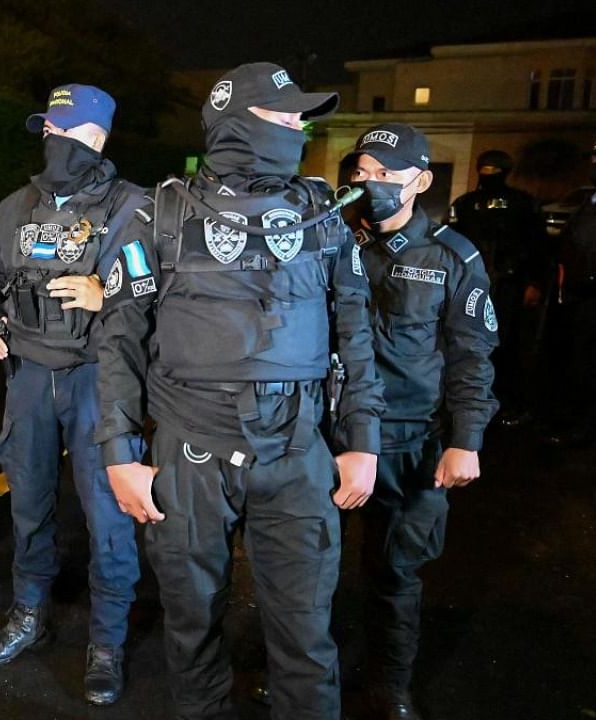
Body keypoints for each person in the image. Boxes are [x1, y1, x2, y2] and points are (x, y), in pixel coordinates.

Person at [97, 63, 384, 719]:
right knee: (192, 623)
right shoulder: (157, 213)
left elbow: (354, 329)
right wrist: (118, 452)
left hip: (296, 451)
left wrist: (362, 440)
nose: (299, 126)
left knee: (306, 632)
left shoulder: (320, 212)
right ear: (235, 121)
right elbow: (119, 336)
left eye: (300, 118)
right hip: (188, 455)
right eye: (285, 115)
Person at [0, 84, 143, 705]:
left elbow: (164, 294)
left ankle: (107, 642)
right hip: (30, 377)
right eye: (47, 131)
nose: (52, 143)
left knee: (108, 514)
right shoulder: (18, 206)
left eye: (64, 132)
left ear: (96, 138)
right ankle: (28, 614)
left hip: (101, 378)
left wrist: (108, 293)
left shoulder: (133, 208)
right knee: (30, 504)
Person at [345, 123, 499, 719]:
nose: (373, 183)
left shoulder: (452, 256)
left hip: (413, 439)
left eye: (388, 173)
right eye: (364, 172)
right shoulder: (335, 243)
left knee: (397, 574)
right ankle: (311, 674)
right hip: (335, 437)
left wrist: (466, 441)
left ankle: (390, 684)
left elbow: (471, 357)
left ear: (423, 180)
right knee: (310, 569)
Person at [449, 149, 545, 425]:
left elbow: (537, 247)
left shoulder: (523, 204)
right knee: (468, 344)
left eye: (494, 169)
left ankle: (508, 403)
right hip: (471, 285)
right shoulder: (466, 203)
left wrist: (533, 284)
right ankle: (471, 402)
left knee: (509, 346)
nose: (488, 174)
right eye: (485, 169)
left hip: (510, 286)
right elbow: (452, 244)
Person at [542, 140, 596, 445]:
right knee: (577, 360)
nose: (594, 162)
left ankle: (584, 426)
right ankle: (575, 420)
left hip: (593, 295)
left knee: (589, 363)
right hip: (578, 295)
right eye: (593, 156)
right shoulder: (590, 200)